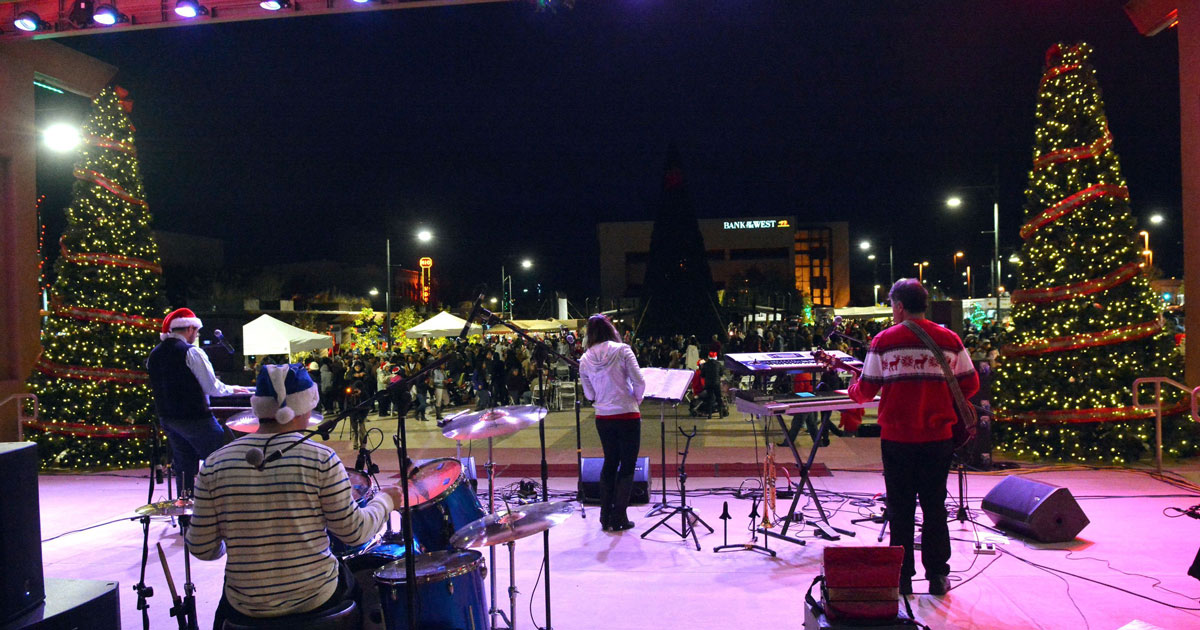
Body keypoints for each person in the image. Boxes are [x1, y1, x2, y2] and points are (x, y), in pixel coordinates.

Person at [188, 363, 403, 629]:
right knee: (367, 589)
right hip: (316, 600)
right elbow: (354, 533)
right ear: (302, 407)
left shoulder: (214, 463)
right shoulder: (321, 459)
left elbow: (201, 548)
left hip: (245, 608)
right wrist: (387, 501)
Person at [847, 279, 979, 597]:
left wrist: (852, 385)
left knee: (901, 508)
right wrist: (938, 396)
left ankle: (902, 578)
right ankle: (937, 576)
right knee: (935, 506)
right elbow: (971, 384)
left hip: (897, 440)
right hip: (938, 440)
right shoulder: (949, 338)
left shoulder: (883, 341)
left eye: (893, 307)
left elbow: (864, 393)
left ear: (900, 306)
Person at [147, 308, 251, 497]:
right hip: (194, 417)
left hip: (168, 418)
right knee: (223, 456)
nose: (197, 335)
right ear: (189, 329)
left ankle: (186, 510)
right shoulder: (192, 352)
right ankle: (224, 503)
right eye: (196, 331)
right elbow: (212, 388)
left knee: (184, 464)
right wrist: (231, 389)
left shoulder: (155, 354)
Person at [579, 313, 645, 532]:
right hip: (627, 414)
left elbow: (589, 395)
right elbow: (639, 380)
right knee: (627, 467)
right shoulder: (623, 350)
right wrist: (637, 399)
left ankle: (604, 515)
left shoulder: (585, 359)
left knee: (609, 462)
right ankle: (619, 517)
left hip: (603, 417)